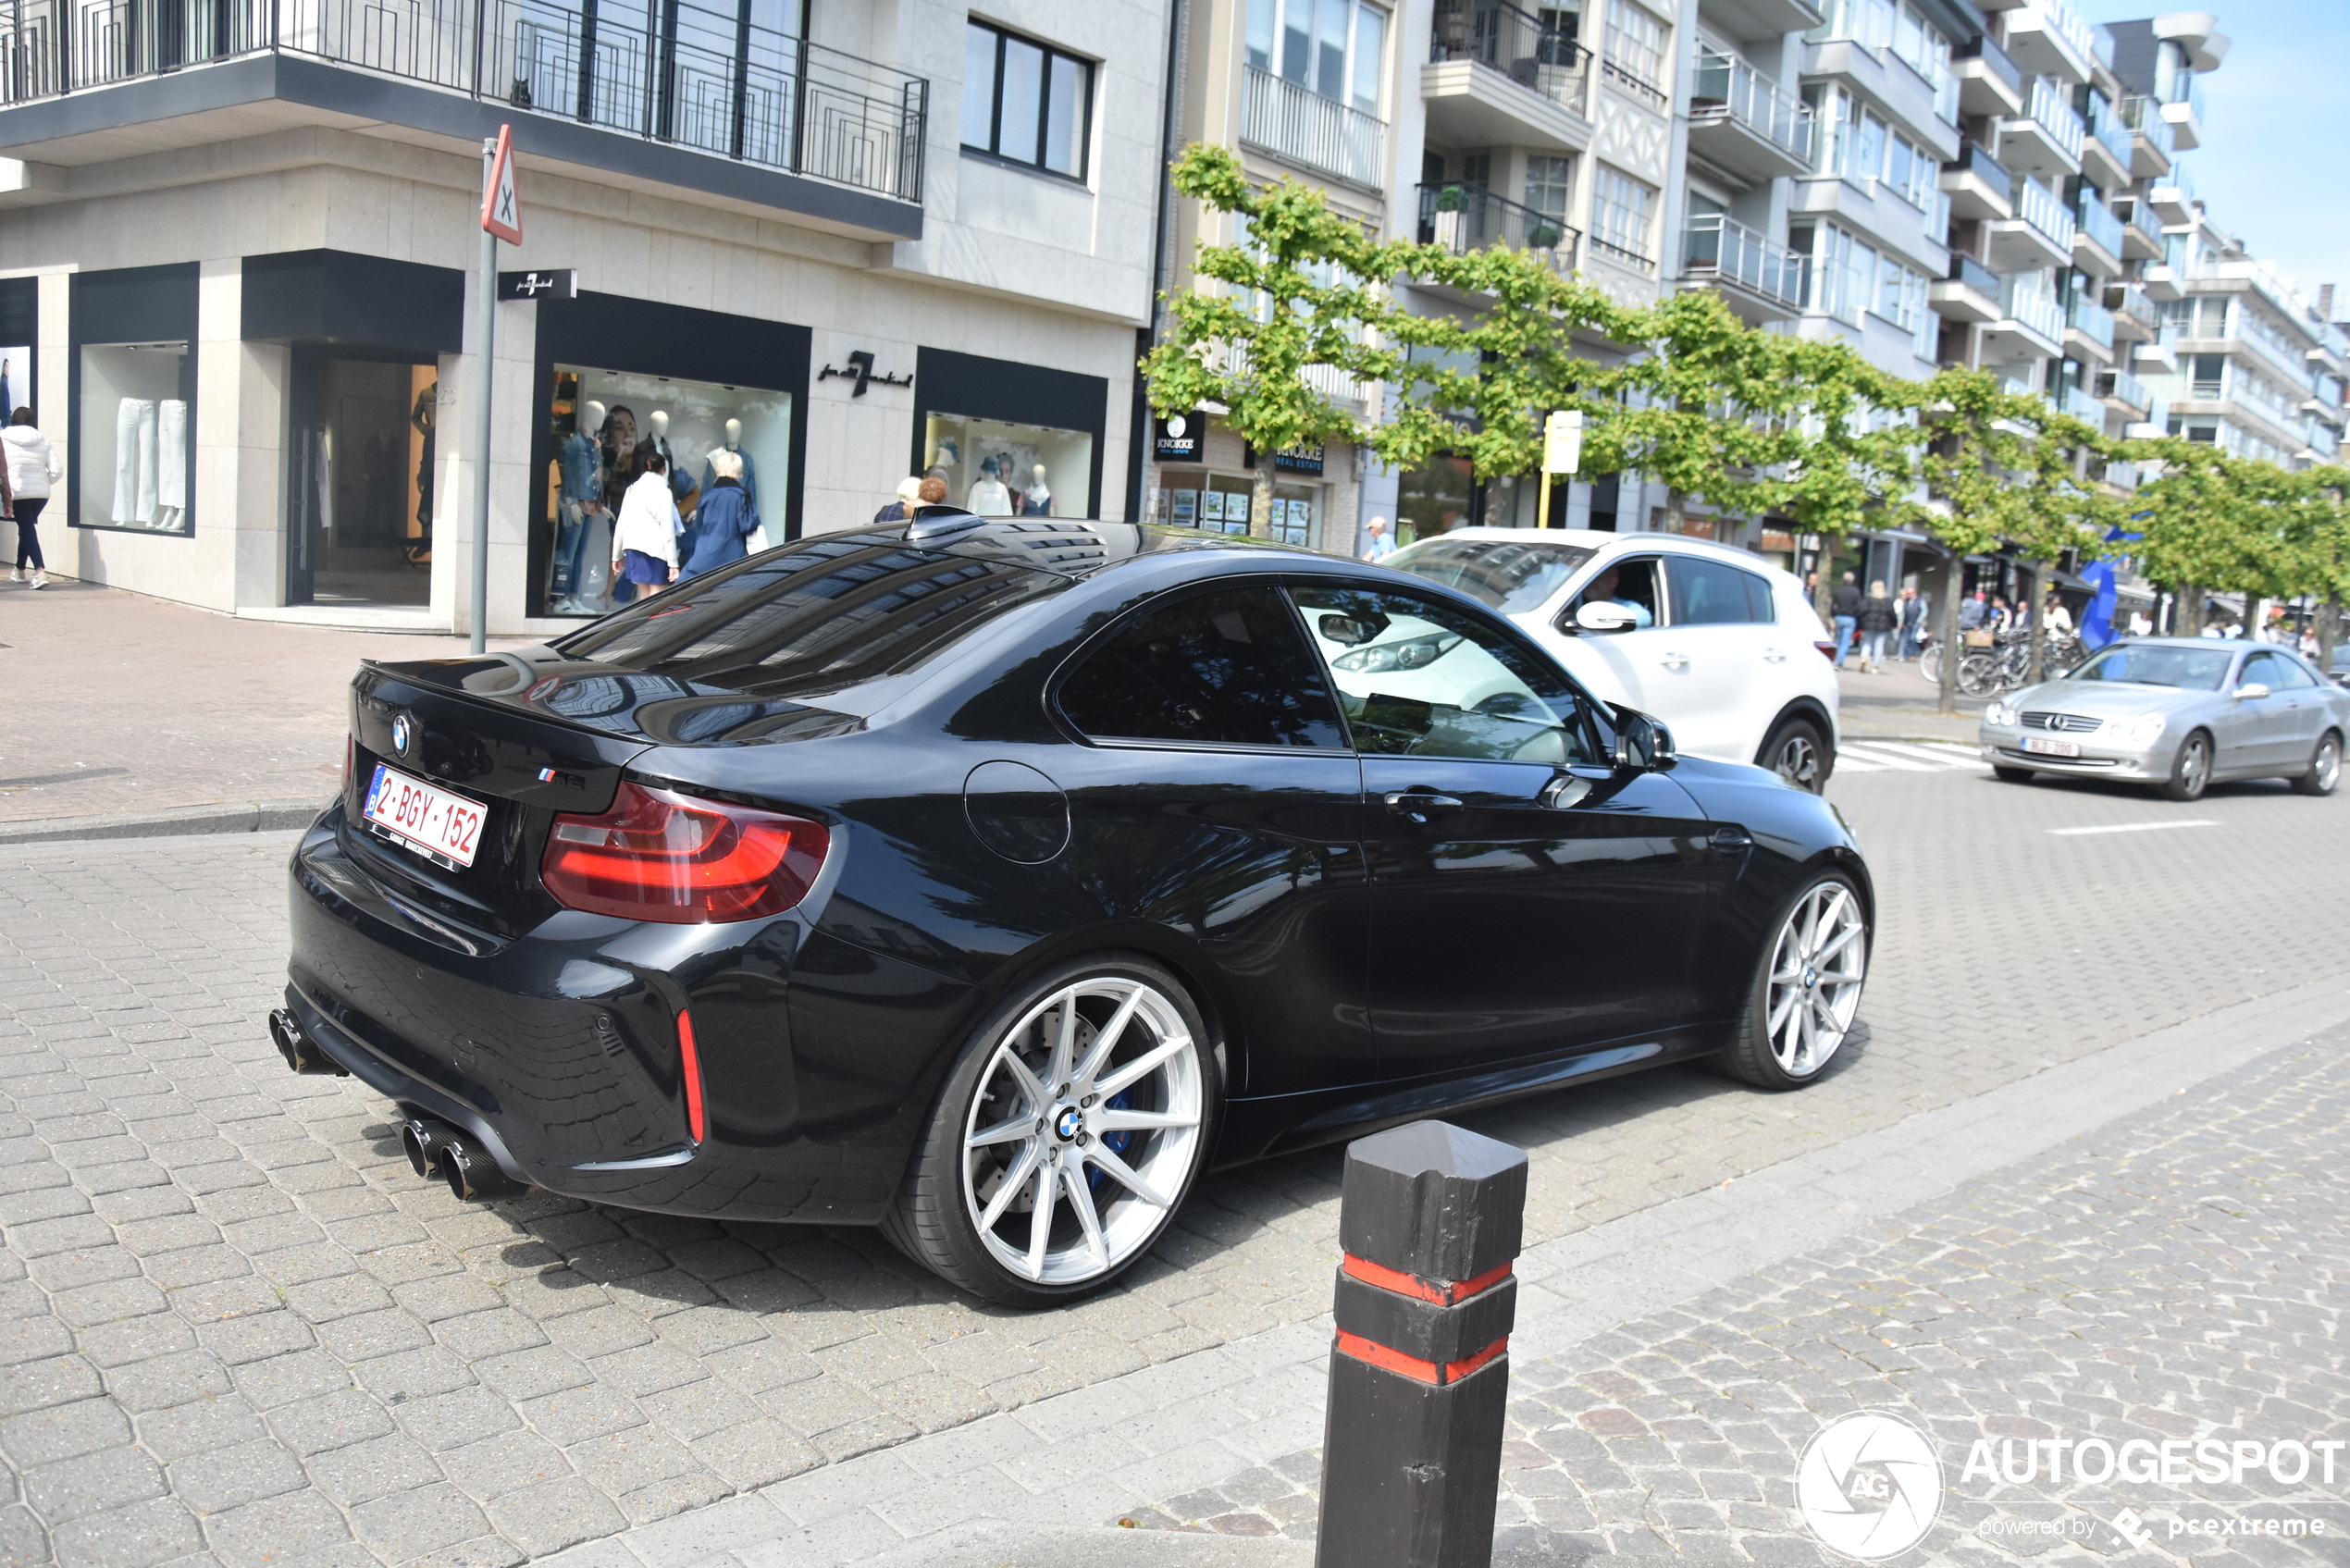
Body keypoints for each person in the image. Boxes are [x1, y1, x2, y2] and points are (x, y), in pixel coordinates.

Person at [610, 451, 682, 603]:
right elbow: (667, 530)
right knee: (657, 598)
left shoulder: (632, 490)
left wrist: (616, 556)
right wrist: (673, 564)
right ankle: (653, 627)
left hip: (634, 548)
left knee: (643, 598)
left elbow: (621, 524)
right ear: (663, 470)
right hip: (657, 551)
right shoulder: (664, 492)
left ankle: (643, 626)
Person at [680, 450, 761, 578]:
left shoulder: (706, 498)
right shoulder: (741, 497)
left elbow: (699, 529)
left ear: (717, 471)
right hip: (731, 559)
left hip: (703, 559)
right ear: (739, 474)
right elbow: (748, 526)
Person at [4, 407, 59, 589]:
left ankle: (39, 571)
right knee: (26, 529)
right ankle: (19, 570)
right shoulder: (42, 440)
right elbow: (57, 470)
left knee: (27, 530)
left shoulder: (3, 438)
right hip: (40, 495)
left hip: (17, 492)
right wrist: (44, 482)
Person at [1581, 564, 1653, 627]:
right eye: (1589, 577)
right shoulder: (1573, 601)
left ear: (1613, 582)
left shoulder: (1624, 606)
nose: (1591, 581)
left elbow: (1643, 618)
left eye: (1598, 577)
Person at [1857, 580, 1897, 673]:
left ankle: (1864, 658)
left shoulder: (1868, 599)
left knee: (1867, 643)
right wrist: (1894, 624)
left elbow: (1862, 611)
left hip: (1869, 625)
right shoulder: (1887, 600)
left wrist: (1862, 622)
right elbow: (1892, 613)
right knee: (1879, 646)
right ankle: (1875, 667)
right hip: (1883, 627)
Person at [1829, 572, 1862, 667]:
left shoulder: (1838, 591)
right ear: (1852, 581)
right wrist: (1855, 615)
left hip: (1839, 617)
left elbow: (1832, 605)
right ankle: (1839, 662)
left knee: (1839, 640)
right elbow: (1859, 606)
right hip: (1850, 618)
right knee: (1845, 641)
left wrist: (1833, 615)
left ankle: (1836, 659)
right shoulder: (1856, 592)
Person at [1896, 586, 1925, 660]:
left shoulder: (1920, 601)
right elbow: (1903, 612)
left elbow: (1924, 611)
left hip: (1915, 622)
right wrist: (1900, 622)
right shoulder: (1906, 602)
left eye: (1909, 593)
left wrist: (1919, 619)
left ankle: (1915, 653)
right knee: (1906, 639)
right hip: (1907, 622)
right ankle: (1907, 655)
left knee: (1912, 638)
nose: (1907, 595)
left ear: (1914, 593)